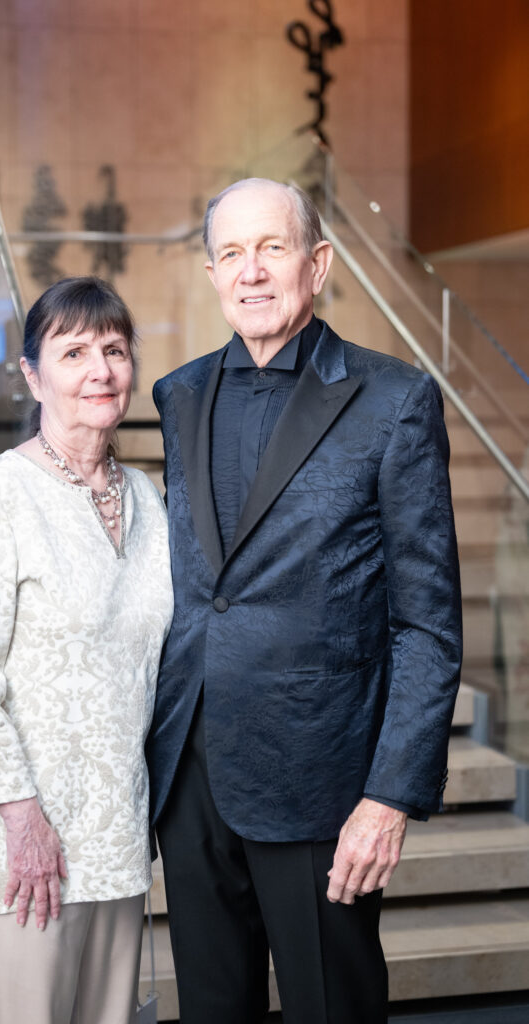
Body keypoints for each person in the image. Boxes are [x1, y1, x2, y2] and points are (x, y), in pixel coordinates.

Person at [147, 179, 462, 1023]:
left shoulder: (395, 401)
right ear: (212, 272)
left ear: (316, 263)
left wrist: (391, 796)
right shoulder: (176, 397)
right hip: (191, 774)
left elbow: (426, 625)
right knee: (213, 1008)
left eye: (273, 248)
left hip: (324, 781)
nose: (252, 272)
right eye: (232, 254)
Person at [0, 276, 174, 1024]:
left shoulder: (149, 499)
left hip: (117, 839)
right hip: (22, 848)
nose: (100, 370)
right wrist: (23, 820)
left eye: (114, 349)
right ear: (33, 375)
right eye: (73, 353)